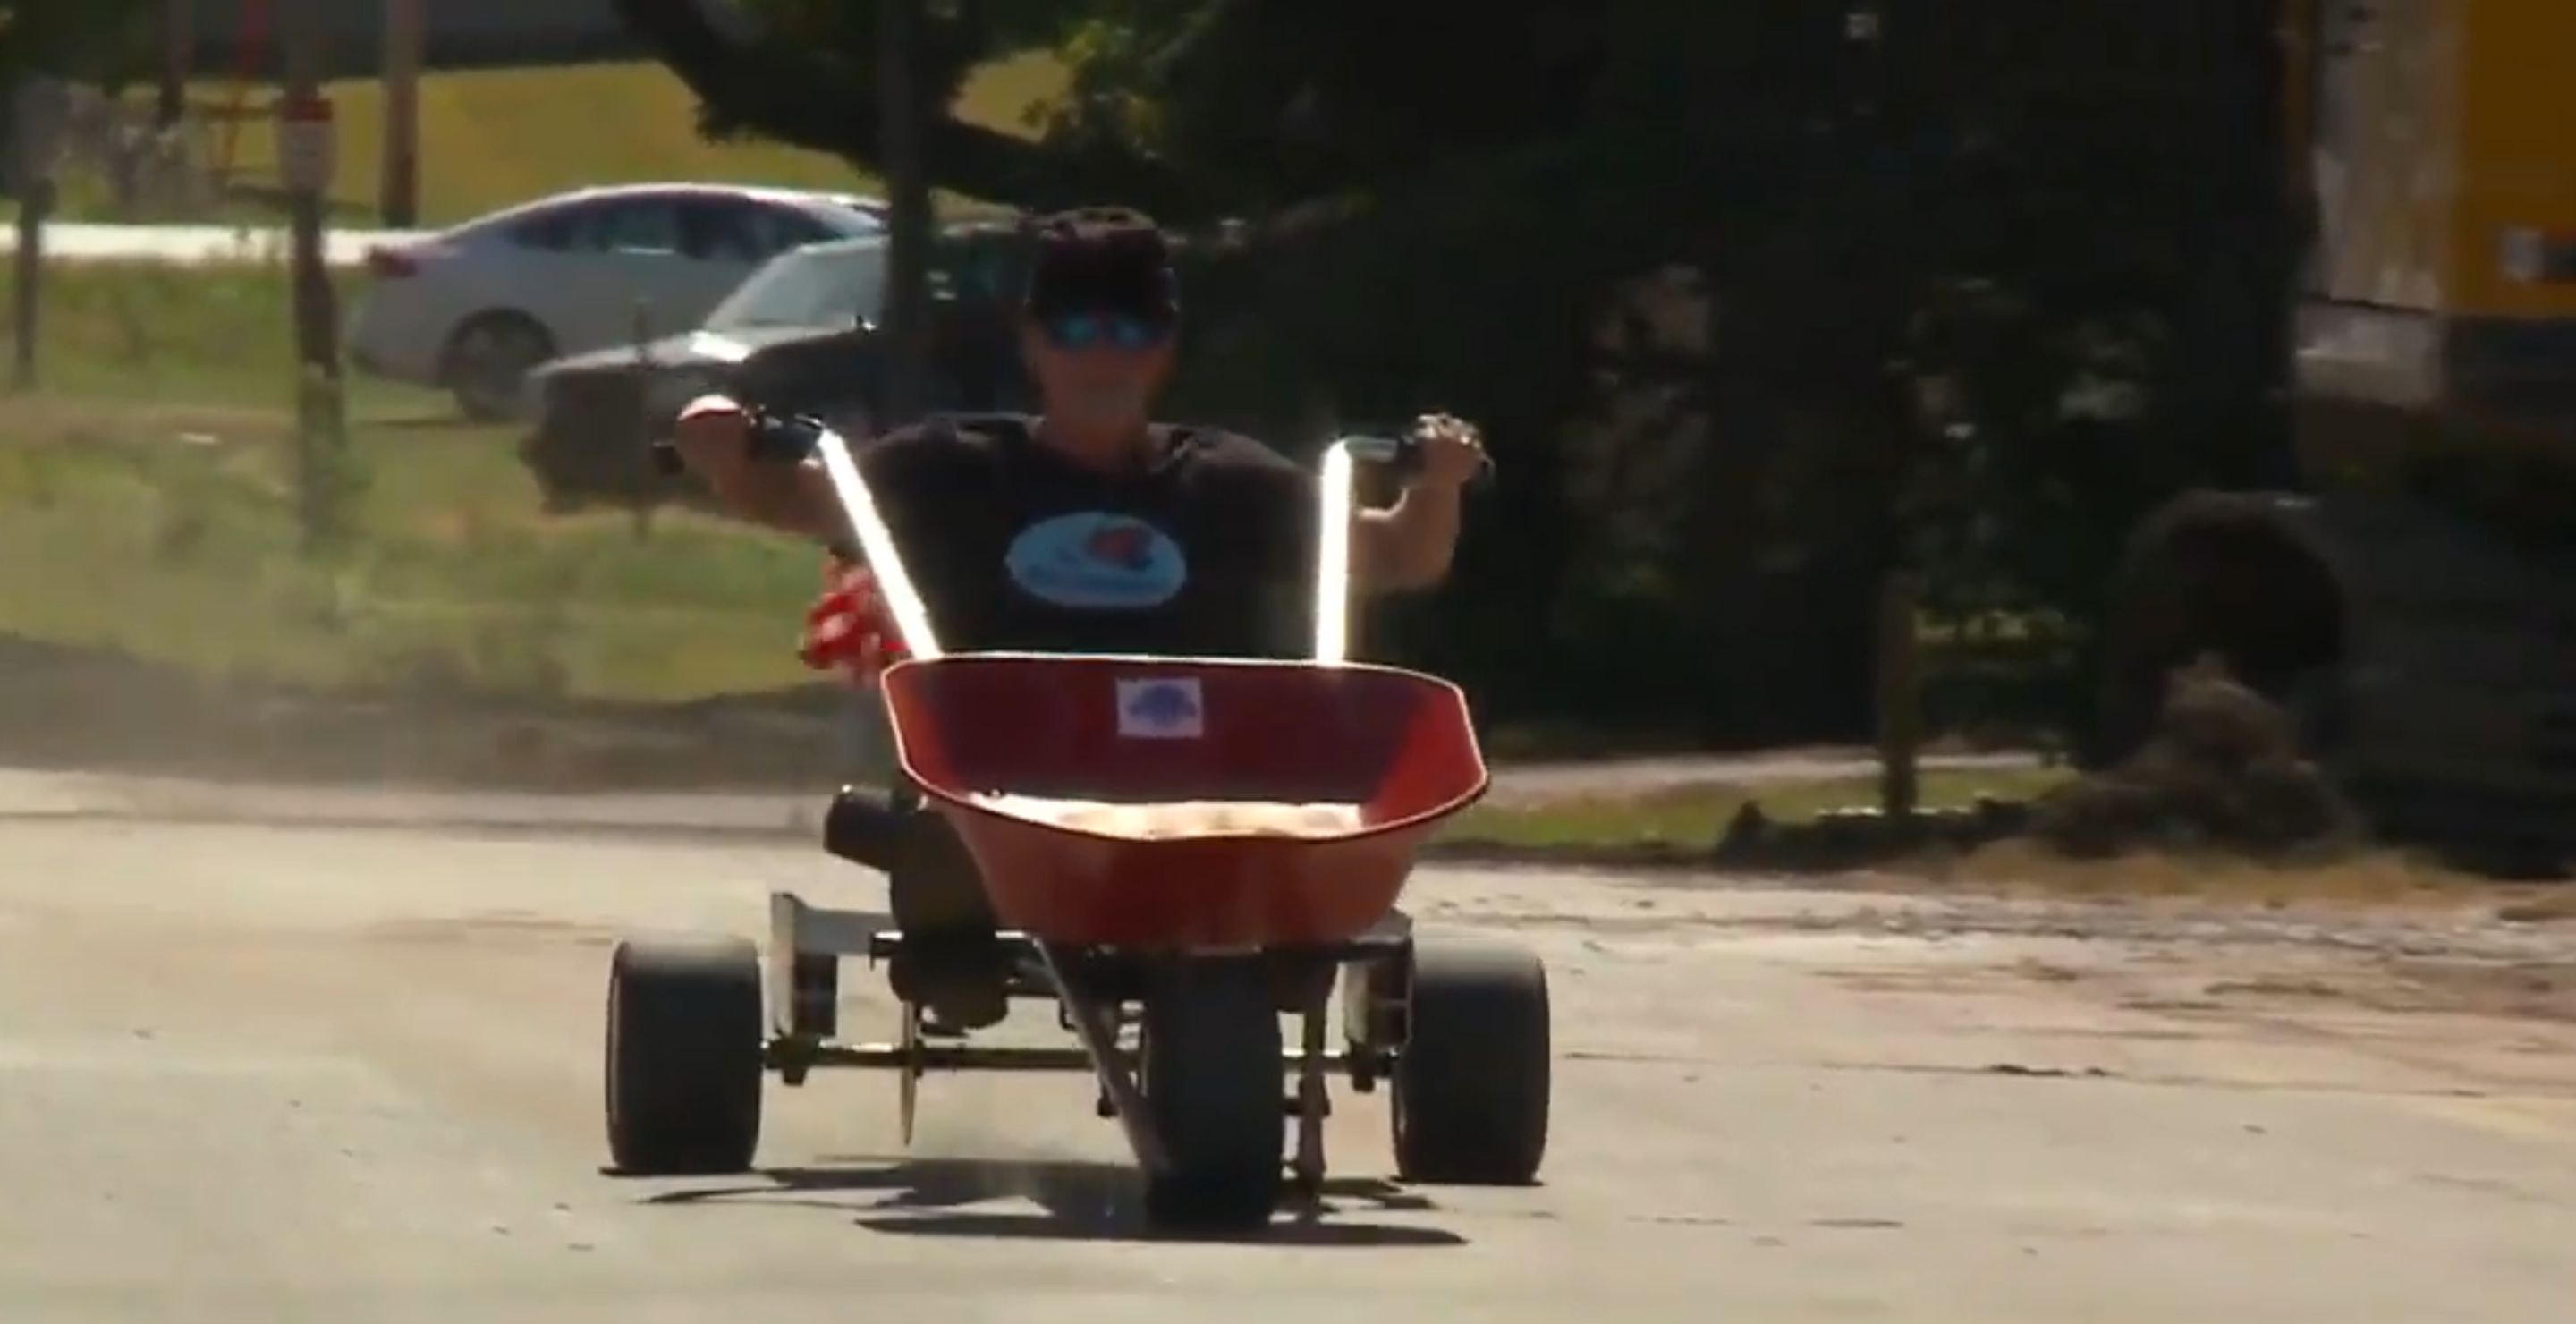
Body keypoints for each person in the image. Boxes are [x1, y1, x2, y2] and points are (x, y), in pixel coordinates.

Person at [669, 205, 1487, 1031]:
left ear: (1163, 350)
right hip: (1002, 793)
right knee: (944, 836)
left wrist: (1436, 487)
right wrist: (726, 455)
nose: (1104, 356)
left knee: (1313, 833)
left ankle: (1289, 946)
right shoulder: (954, 467)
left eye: (1131, 333)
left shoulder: (1227, 479)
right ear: (1033, 344)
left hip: (1214, 794)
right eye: (1078, 328)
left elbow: (1397, 559)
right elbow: (798, 498)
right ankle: (957, 952)